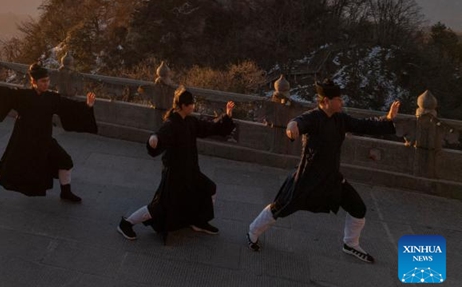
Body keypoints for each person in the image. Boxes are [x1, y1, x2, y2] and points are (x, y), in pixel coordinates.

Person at [246, 79, 401, 263]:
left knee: (358, 208)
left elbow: (363, 125)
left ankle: (350, 243)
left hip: (331, 178)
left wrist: (388, 119)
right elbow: (297, 122)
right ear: (326, 101)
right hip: (307, 178)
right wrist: (291, 128)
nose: (342, 102)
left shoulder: (340, 119)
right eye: (338, 99)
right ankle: (252, 231)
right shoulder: (313, 117)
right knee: (280, 207)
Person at [117, 88, 236, 243]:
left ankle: (198, 221)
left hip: (190, 170)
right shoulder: (171, 124)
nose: (193, 107)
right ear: (183, 106)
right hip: (174, 174)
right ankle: (126, 223)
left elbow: (210, 128)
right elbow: (159, 137)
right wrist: (153, 142)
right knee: (159, 207)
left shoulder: (191, 121)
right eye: (191, 104)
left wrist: (227, 116)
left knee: (209, 188)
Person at [0, 63, 97, 204]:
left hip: (44, 140)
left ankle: (65, 192)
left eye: (47, 81)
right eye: (43, 81)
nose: (46, 84)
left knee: (65, 160)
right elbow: (2, 93)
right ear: (33, 82)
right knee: (5, 165)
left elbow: (68, 106)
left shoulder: (52, 98)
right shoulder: (22, 96)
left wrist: (86, 106)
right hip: (22, 139)